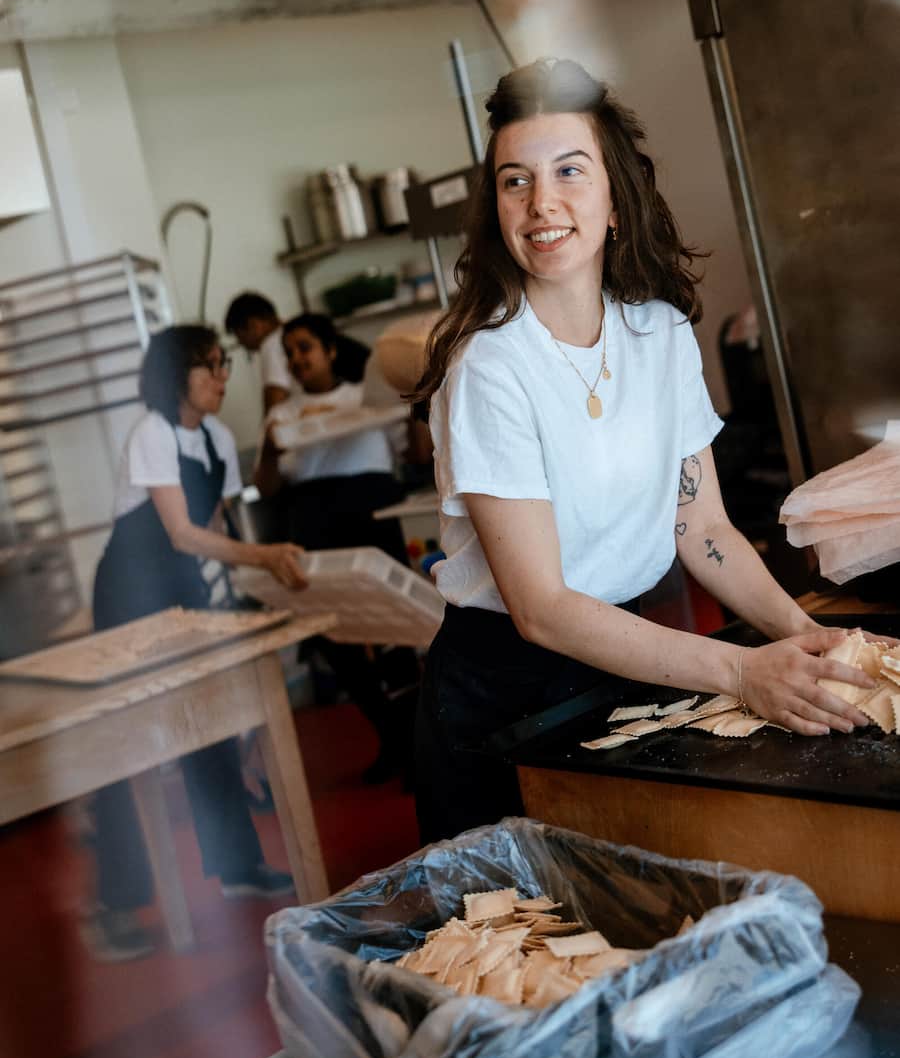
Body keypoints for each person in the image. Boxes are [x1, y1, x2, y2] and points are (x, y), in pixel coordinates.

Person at [411, 57, 882, 846]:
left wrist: (806, 640)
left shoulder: (658, 333)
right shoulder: (492, 366)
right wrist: (740, 670)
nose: (541, 202)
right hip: (500, 701)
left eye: (569, 170)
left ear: (615, 199)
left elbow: (702, 529)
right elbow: (543, 608)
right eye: (514, 181)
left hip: (629, 662)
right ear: (495, 209)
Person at [85, 325, 308, 962]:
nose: (221, 378)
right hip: (129, 595)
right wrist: (261, 557)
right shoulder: (150, 435)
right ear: (174, 376)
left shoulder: (212, 439)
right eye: (209, 368)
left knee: (210, 724)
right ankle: (117, 903)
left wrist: (235, 590)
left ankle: (237, 864)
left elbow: (214, 529)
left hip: (182, 588)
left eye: (222, 364)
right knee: (125, 749)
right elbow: (182, 532)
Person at [255, 313, 415, 783]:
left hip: (372, 511)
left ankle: (416, 741)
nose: (295, 359)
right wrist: (268, 446)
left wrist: (418, 401)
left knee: (397, 625)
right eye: (289, 353)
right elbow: (266, 487)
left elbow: (413, 454)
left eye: (304, 347)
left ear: (330, 349)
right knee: (331, 631)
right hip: (312, 518)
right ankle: (393, 735)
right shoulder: (281, 416)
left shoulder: (367, 397)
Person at [224, 291, 371, 416]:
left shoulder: (272, 343)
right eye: (289, 354)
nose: (241, 343)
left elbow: (275, 398)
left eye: (239, 335)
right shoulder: (293, 334)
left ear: (254, 325)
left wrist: (270, 427)